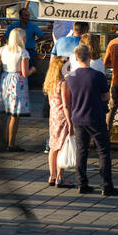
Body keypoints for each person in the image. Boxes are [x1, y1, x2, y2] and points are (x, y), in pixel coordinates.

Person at [65, 45, 118, 196]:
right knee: (103, 151)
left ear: (76, 58)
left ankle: (82, 183)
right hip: (95, 117)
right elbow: (105, 96)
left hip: (78, 117)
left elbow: (69, 99)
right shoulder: (98, 76)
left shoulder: (70, 77)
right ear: (89, 57)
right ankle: (107, 185)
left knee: (81, 151)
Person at [0, 28, 31, 153]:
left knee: (5, 113)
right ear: (20, 38)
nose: (26, 38)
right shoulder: (23, 52)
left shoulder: (2, 49)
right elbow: (25, 73)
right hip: (17, 82)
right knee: (14, 115)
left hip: (5, 80)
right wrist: (33, 70)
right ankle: (11, 143)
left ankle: (1, 141)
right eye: (24, 37)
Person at [45, 55, 73, 187]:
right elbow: (66, 105)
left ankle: (52, 175)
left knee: (53, 147)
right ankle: (60, 178)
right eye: (68, 66)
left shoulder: (50, 82)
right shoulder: (64, 83)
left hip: (53, 116)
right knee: (62, 147)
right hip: (62, 117)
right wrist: (70, 122)